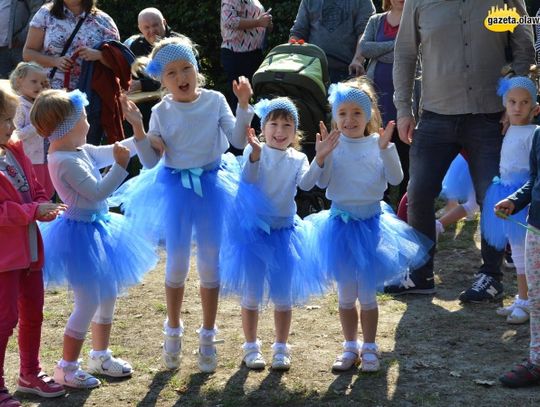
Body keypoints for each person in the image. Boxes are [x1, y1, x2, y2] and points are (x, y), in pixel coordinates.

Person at [114, 36, 255, 373]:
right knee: (176, 264)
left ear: (196, 69)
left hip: (213, 188)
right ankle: (173, 330)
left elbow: (236, 141)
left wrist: (243, 105)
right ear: (162, 80)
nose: (181, 77)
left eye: (186, 68)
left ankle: (208, 335)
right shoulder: (161, 110)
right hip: (176, 189)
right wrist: (137, 127)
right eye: (172, 73)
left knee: (210, 264)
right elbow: (150, 162)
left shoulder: (215, 100)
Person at [386, 0, 535, 301]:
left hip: (489, 115)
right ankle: (420, 274)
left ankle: (491, 278)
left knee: (492, 195)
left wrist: (515, 99)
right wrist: (403, 109)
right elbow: (404, 54)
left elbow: (524, 46)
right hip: (435, 114)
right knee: (419, 193)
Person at [30, 89, 158, 388]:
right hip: (78, 237)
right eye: (84, 118)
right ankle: (66, 367)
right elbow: (98, 191)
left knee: (108, 293)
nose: (88, 124)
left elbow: (111, 150)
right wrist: (121, 166)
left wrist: (143, 136)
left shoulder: (78, 150)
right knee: (87, 301)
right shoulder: (63, 161)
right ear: (68, 126)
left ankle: (100, 355)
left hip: (98, 228)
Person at [306, 79, 431, 372]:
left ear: (369, 115)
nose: (349, 120)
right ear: (334, 116)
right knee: (346, 296)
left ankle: (371, 348)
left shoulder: (378, 144)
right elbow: (311, 183)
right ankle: (350, 347)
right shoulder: (332, 146)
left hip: (371, 227)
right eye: (343, 113)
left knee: (367, 295)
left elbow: (397, 179)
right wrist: (321, 158)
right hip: (339, 227)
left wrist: (387, 148)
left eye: (356, 113)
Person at [219, 97, 335, 370]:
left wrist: (319, 158)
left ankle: (281, 347)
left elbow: (308, 184)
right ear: (262, 128)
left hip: (285, 233)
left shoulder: (297, 158)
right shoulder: (254, 152)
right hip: (254, 234)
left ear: (296, 132)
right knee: (252, 292)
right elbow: (247, 180)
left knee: (283, 294)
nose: (280, 131)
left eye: (287, 125)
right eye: (274, 124)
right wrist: (256, 156)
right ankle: (251, 347)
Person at [0, 82, 65, 406]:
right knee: (4, 318)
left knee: (33, 313)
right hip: (5, 258)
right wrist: (31, 211)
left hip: (30, 251)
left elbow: (34, 187)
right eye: (7, 120)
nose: (13, 127)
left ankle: (30, 374)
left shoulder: (13, 149)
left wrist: (44, 205)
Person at [482, 74, 539, 325]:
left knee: (523, 250)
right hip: (505, 191)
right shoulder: (509, 129)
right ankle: (522, 297)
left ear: (535, 108)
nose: (517, 107)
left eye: (524, 102)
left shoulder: (534, 132)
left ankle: (527, 300)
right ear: (505, 105)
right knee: (516, 251)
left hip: (523, 198)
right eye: (512, 102)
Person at [496, 129, 540, 388]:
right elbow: (534, 179)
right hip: (536, 228)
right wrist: (515, 200)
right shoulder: (538, 136)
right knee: (536, 299)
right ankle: (536, 361)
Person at [359, 0, 409, 200]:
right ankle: (382, 198)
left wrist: (382, 49)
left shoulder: (416, 18)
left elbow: (414, 50)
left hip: (406, 98)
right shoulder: (375, 20)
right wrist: (396, 46)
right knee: (379, 147)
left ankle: (405, 203)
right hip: (378, 98)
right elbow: (365, 48)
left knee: (405, 150)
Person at [23, 0, 119, 90]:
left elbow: (119, 62)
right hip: (50, 95)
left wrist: (99, 55)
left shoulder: (104, 21)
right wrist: (54, 61)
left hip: (91, 96)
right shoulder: (45, 14)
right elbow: (28, 53)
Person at [289, 0, 375, 83]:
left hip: (347, 70)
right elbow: (298, 31)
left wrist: (358, 60)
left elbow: (365, 33)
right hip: (311, 68)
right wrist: (289, 56)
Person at [8, 61, 53, 199]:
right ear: (19, 81)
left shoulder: (41, 103)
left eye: (42, 82)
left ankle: (47, 217)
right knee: (36, 193)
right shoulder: (19, 106)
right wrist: (38, 124)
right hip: (31, 158)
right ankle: (36, 217)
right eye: (34, 81)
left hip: (47, 156)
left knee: (49, 190)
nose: (39, 86)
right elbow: (16, 135)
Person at [220, 0, 271, 109]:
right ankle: (240, 126)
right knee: (240, 100)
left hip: (253, 54)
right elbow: (229, 20)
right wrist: (258, 22)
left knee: (253, 99)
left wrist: (266, 22)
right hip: (238, 55)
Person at [128, 7, 183, 94]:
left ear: (164, 23)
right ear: (140, 29)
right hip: (147, 100)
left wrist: (143, 85)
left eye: (155, 25)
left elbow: (184, 77)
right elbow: (132, 76)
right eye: (146, 27)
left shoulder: (178, 44)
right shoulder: (137, 46)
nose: (152, 30)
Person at [0, 1, 45, 79]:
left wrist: (22, 36)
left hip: (20, 48)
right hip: (2, 50)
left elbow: (38, 11)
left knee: (23, 82)